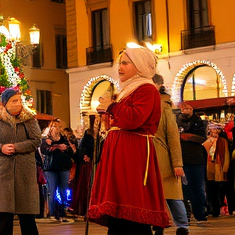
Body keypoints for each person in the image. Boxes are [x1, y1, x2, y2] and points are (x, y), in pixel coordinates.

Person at [89, 47, 170, 234]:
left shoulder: (146, 89)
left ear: (139, 66)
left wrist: (112, 106)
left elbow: (134, 119)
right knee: (119, 209)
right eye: (120, 63)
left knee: (131, 205)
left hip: (133, 152)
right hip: (119, 151)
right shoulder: (126, 90)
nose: (120, 67)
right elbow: (120, 121)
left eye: (125, 63)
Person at [0, 87, 41, 235]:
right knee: (4, 215)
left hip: (24, 171)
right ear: (5, 103)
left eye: (19, 100)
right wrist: (0, 148)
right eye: (14, 101)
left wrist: (17, 147)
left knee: (27, 215)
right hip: (3, 171)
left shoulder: (29, 119)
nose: (17, 103)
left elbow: (36, 141)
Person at [151, 77, 188, 235]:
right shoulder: (146, 104)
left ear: (158, 85)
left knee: (172, 195)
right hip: (148, 157)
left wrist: (177, 163)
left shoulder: (164, 107)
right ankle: (158, 224)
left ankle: (182, 226)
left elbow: (173, 137)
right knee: (154, 195)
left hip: (163, 157)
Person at [177, 102, 208, 223]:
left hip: (196, 160)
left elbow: (202, 137)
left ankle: (200, 213)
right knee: (184, 190)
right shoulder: (175, 121)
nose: (186, 109)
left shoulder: (198, 121)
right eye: (184, 107)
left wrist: (187, 136)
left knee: (198, 188)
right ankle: (186, 214)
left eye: (189, 107)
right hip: (182, 161)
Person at [39, 120, 74, 223]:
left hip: (63, 167)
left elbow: (70, 152)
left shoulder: (64, 139)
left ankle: (62, 212)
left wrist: (65, 148)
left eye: (58, 126)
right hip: (50, 168)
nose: (56, 128)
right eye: (54, 126)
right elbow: (44, 150)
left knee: (63, 190)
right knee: (52, 190)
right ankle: (52, 213)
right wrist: (57, 147)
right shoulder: (46, 139)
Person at [203, 127, 230, 217]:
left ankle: (216, 208)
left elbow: (226, 155)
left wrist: (225, 168)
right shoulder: (207, 141)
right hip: (209, 167)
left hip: (219, 167)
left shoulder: (222, 141)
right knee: (210, 189)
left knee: (219, 189)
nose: (214, 131)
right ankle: (212, 207)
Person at [68, 126, 94, 219]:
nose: (81, 129)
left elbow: (87, 149)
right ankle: (81, 209)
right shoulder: (80, 139)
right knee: (81, 187)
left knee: (84, 187)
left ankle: (84, 209)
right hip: (81, 165)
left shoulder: (88, 135)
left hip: (84, 166)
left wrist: (88, 156)